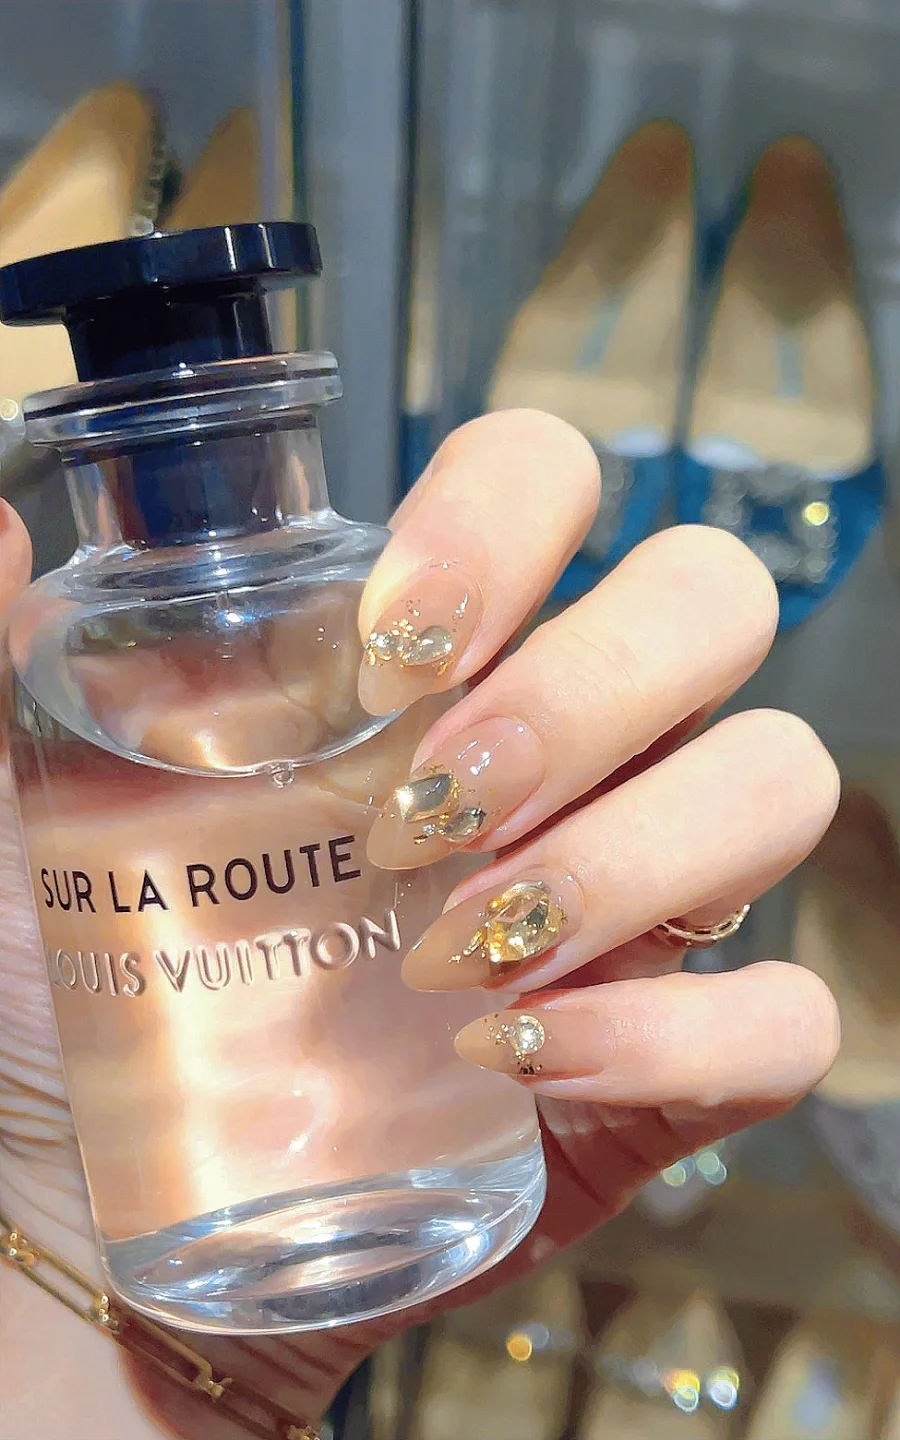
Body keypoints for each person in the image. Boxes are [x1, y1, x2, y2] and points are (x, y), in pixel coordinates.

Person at [0, 410, 840, 1438]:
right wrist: (58, 1222)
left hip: (427, 1193)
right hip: (154, 1259)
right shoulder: (48, 641)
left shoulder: (359, 591)